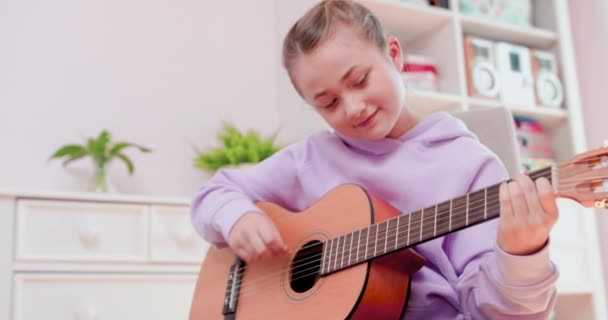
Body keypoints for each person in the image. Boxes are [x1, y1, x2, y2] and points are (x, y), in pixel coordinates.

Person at [190, 0, 559, 318]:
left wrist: (521, 254)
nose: (352, 108)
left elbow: (494, 314)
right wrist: (237, 216)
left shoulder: (469, 165)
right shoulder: (313, 156)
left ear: (394, 56)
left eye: (360, 80)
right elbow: (216, 191)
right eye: (328, 103)